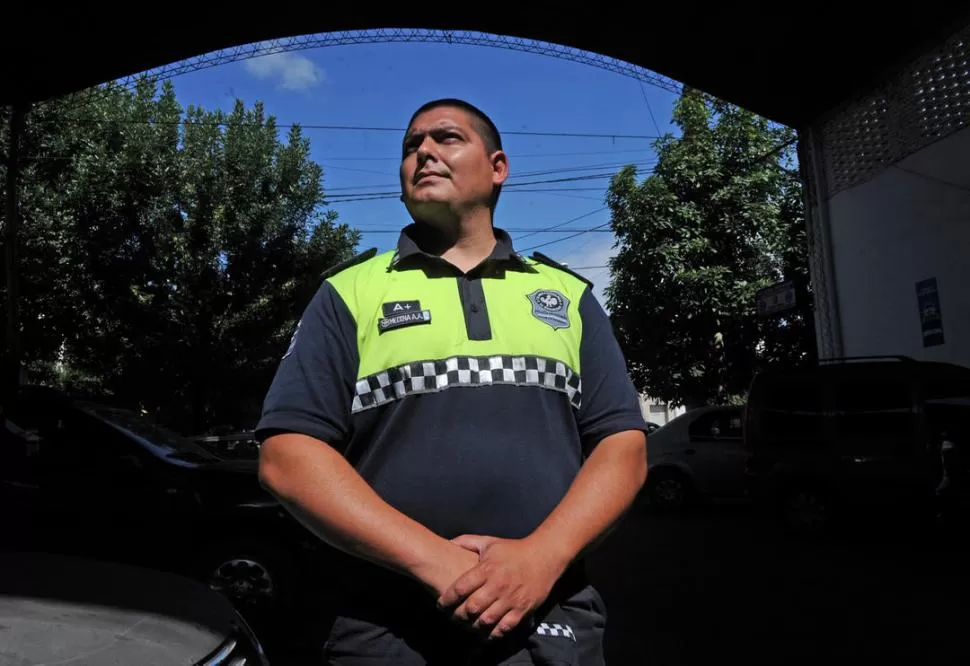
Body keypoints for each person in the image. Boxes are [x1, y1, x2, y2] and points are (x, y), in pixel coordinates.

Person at [255, 98, 649, 665]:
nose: (424, 153)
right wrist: (440, 564)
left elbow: (623, 448)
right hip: (381, 624)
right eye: (412, 145)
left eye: (446, 138)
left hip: (547, 611)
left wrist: (541, 558)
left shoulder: (569, 296)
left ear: (497, 167)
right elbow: (287, 455)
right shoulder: (350, 293)